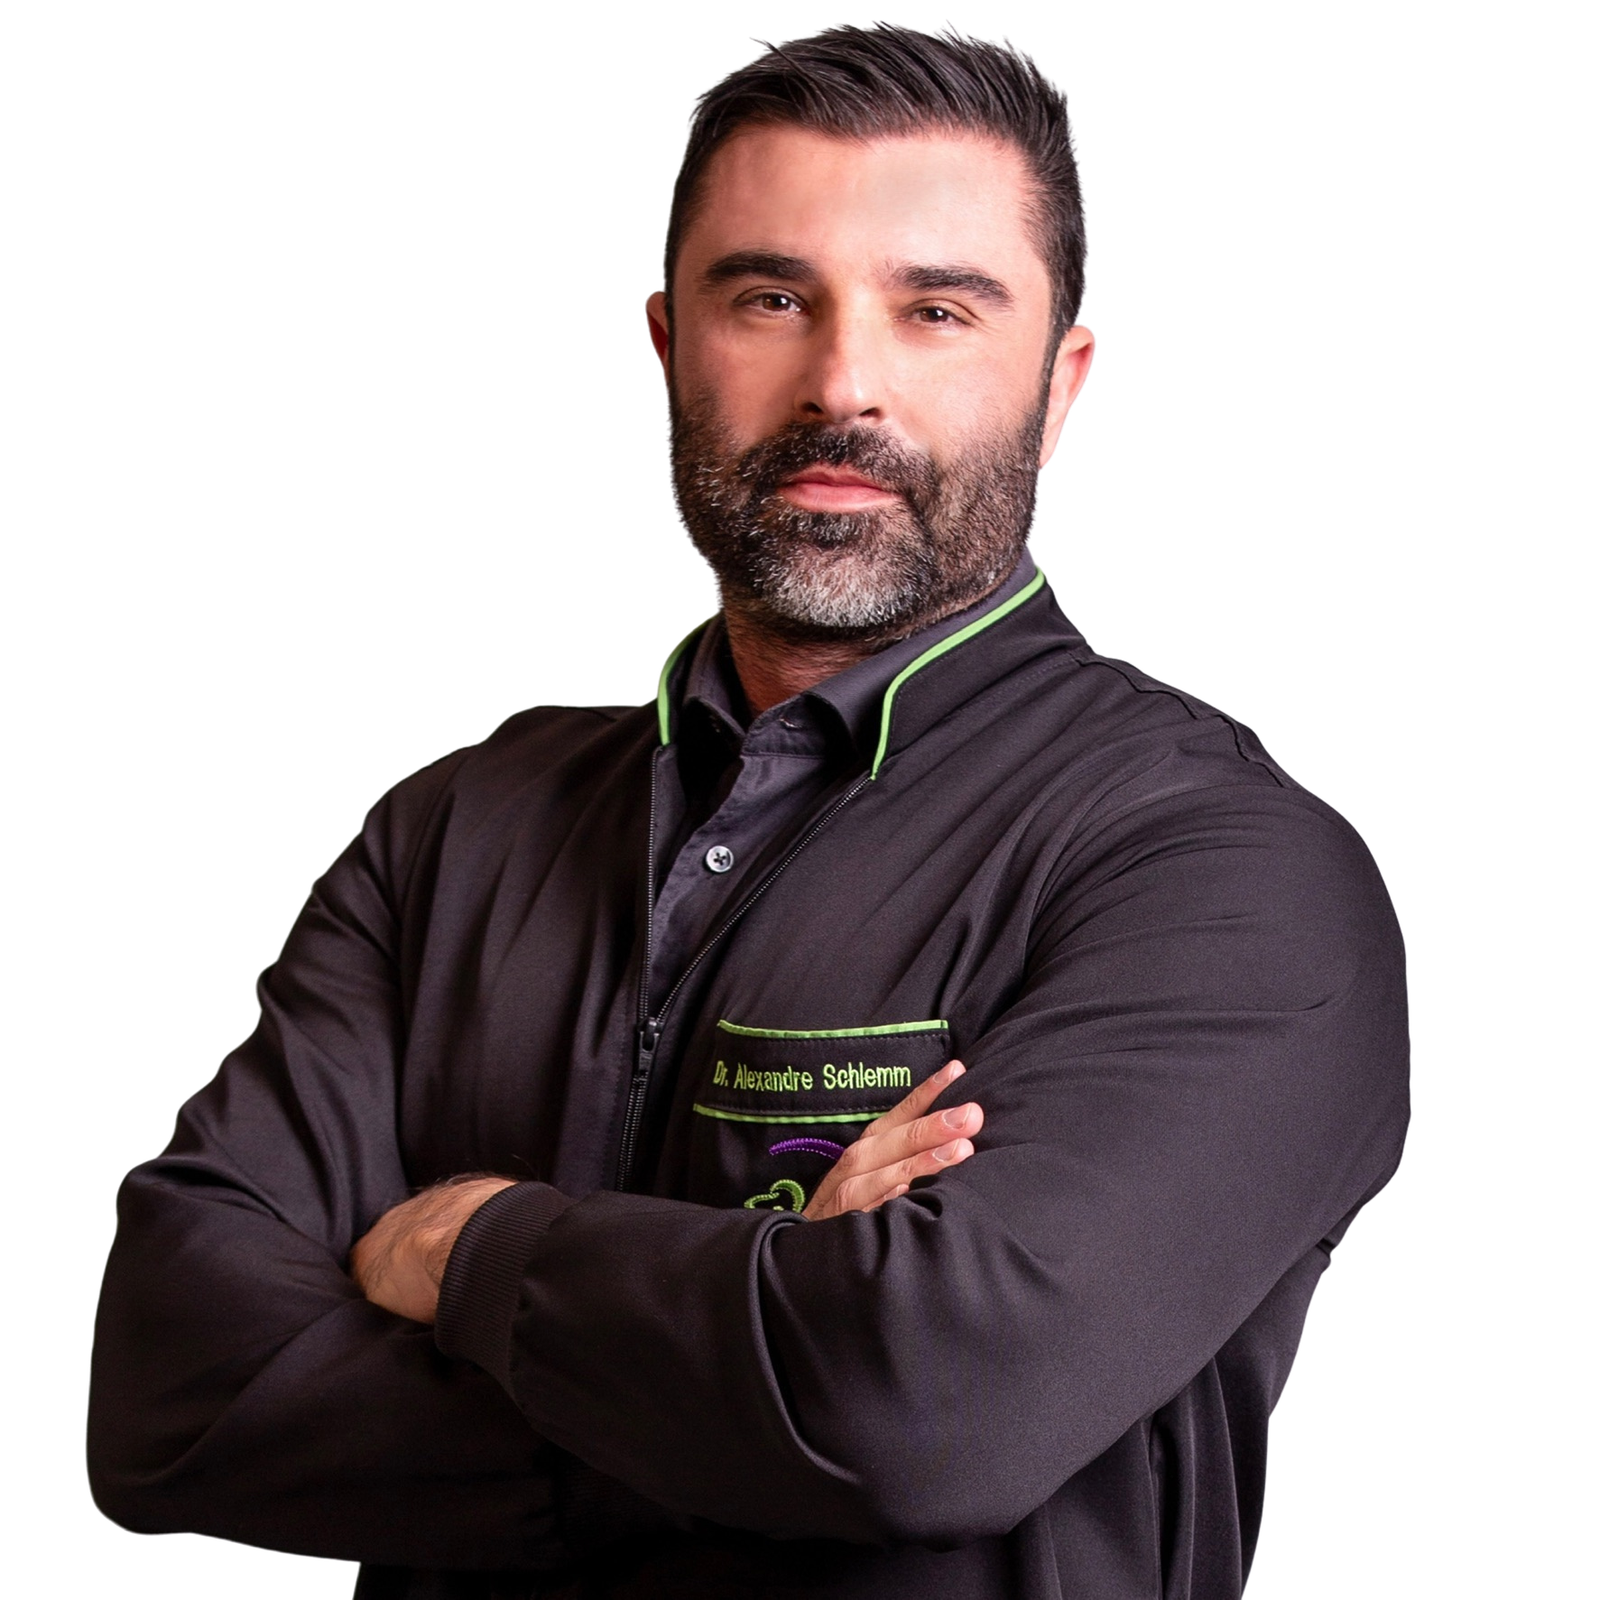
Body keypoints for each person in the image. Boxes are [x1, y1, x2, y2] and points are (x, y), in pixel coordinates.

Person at [88, 22, 1410, 1599]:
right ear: (668, 348)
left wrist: (471, 1249)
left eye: (936, 310)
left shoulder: (1221, 868)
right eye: (770, 298)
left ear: (1060, 389)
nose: (842, 383)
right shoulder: (453, 828)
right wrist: (766, 1354)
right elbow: (171, 1392)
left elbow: (919, 1413)